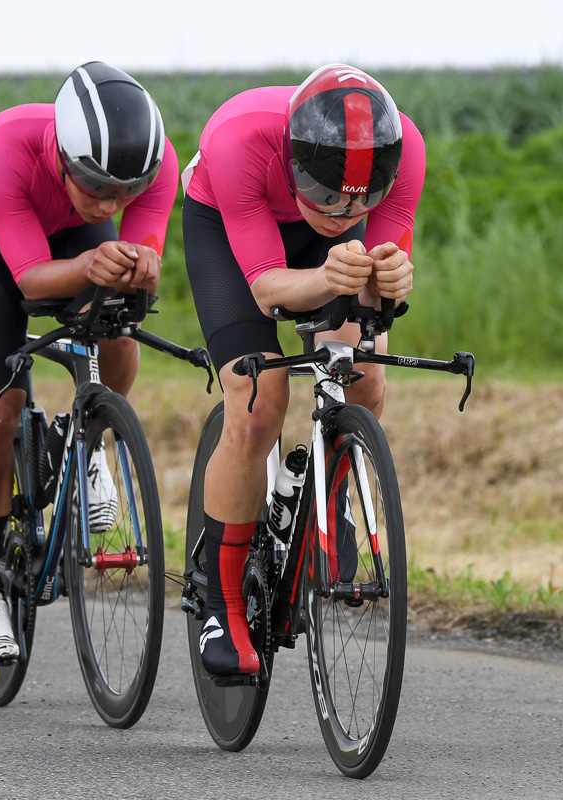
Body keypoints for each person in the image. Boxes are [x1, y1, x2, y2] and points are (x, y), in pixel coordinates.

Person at [182, 64, 424, 676]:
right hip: (230, 228)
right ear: (295, 163)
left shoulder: (403, 151)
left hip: (317, 254)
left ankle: (326, 491)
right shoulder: (239, 136)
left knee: (363, 375)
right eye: (325, 193)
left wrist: (389, 283)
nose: (342, 213)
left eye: (363, 199)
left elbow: (378, 287)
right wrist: (327, 279)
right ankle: (223, 603)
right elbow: (267, 290)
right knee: (257, 398)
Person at [0, 61, 179, 664]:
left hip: (74, 241)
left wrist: (139, 264)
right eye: (100, 189)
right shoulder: (6, 149)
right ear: (66, 161)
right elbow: (31, 279)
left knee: (121, 331)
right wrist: (93, 264)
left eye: (128, 191)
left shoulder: (149, 168)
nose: (116, 203)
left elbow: (140, 253)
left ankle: (89, 440)